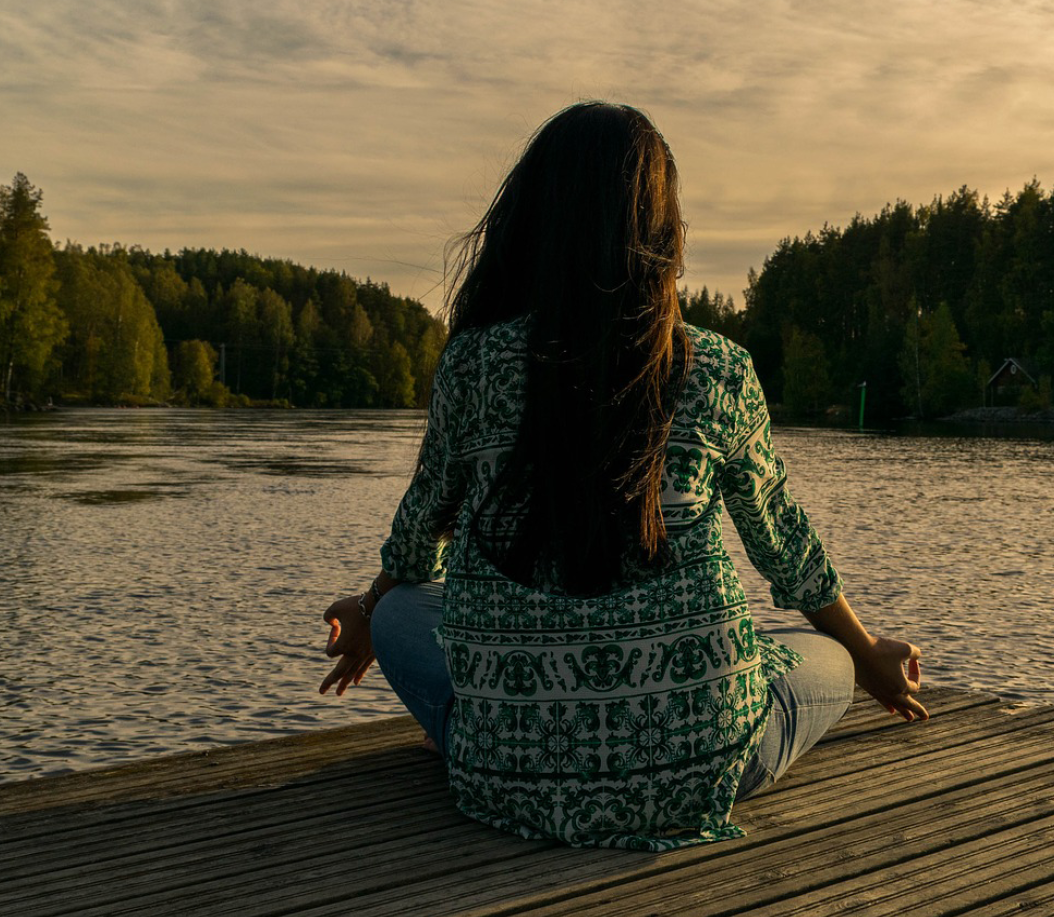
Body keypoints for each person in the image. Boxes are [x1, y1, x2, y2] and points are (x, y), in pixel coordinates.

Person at [318, 101, 926, 851]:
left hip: (506, 777)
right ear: (662, 233)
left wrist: (372, 605)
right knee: (825, 655)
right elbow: (784, 548)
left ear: (532, 222)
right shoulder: (718, 369)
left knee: (406, 609)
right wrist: (869, 656)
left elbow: (418, 539)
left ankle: (482, 734)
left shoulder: (472, 364)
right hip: (702, 766)